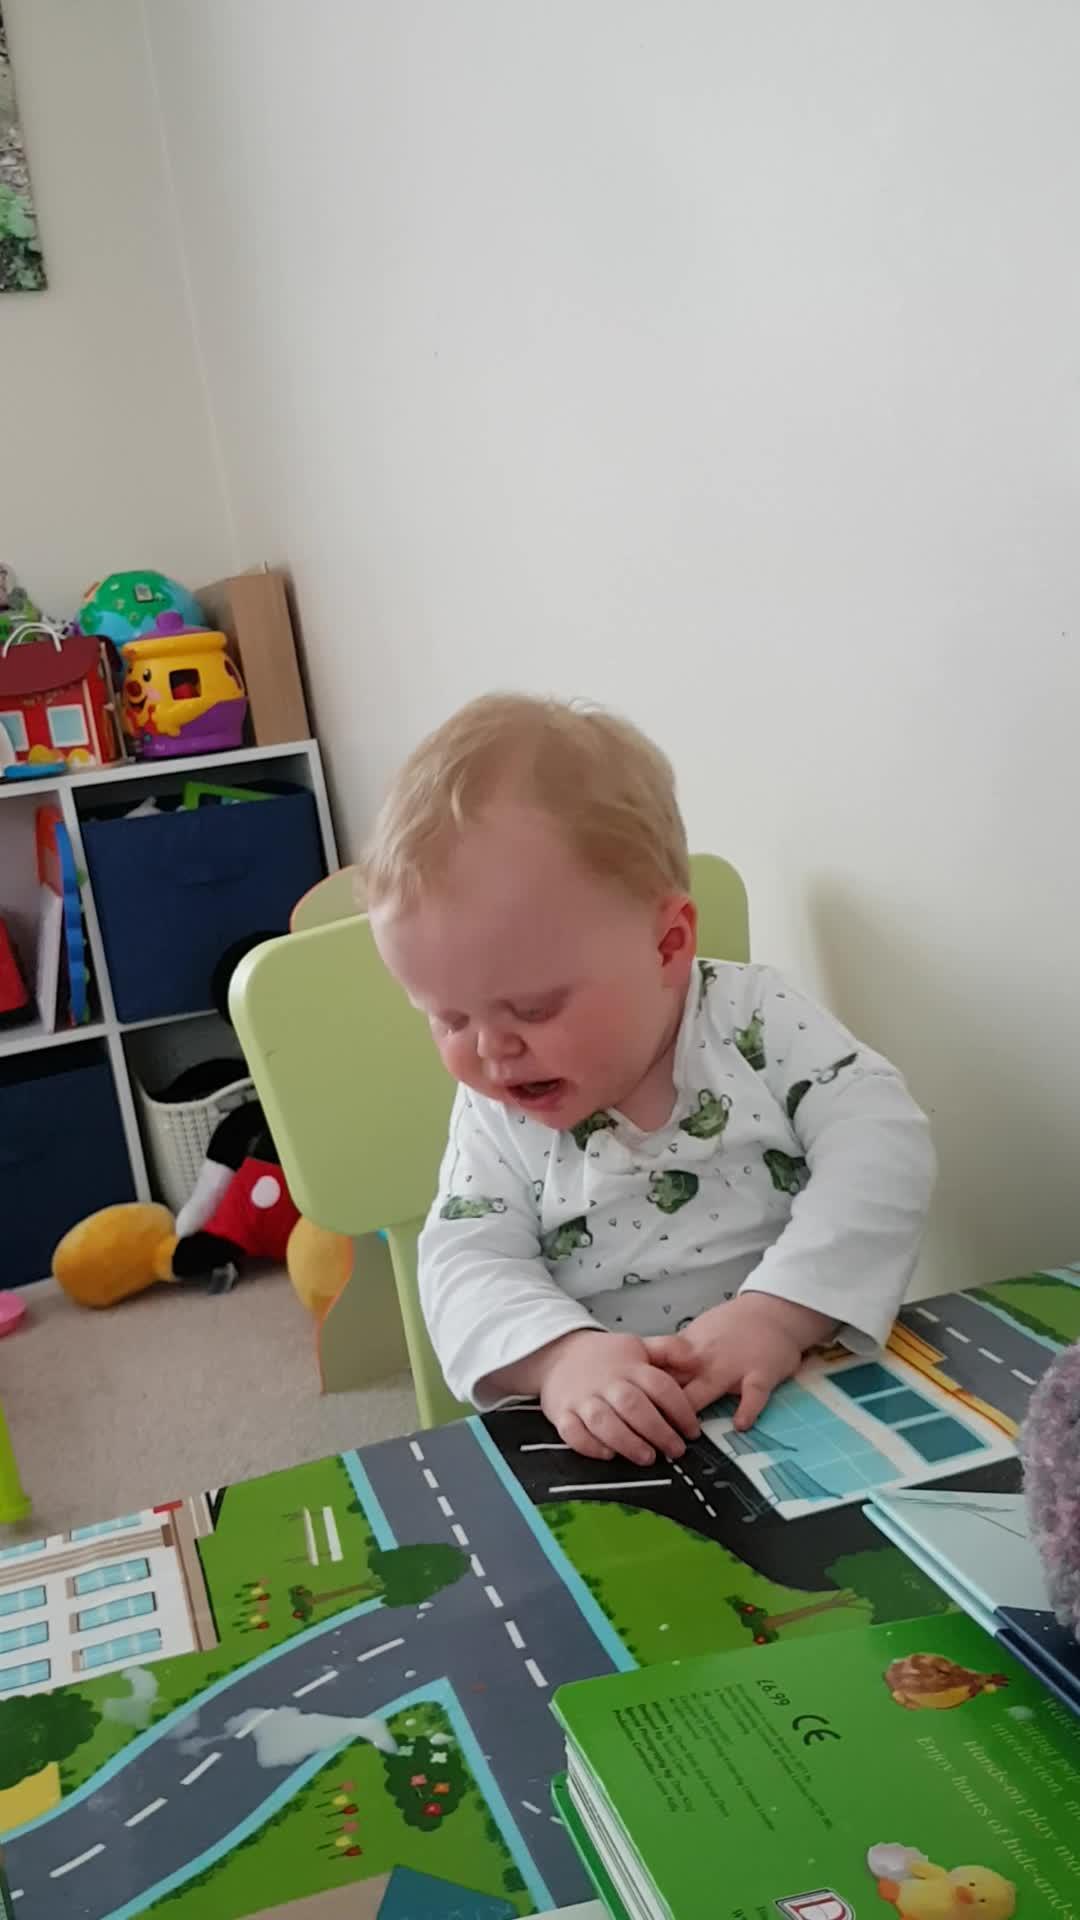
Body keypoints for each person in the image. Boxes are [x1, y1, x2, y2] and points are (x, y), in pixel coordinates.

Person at [364, 694, 936, 1467]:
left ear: (667, 944)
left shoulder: (755, 1020)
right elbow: (466, 1257)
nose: (492, 1052)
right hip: (619, 1436)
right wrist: (561, 1358)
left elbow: (882, 1140)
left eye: (531, 1007)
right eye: (449, 1019)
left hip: (809, 1383)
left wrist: (781, 1310)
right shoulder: (495, 1112)